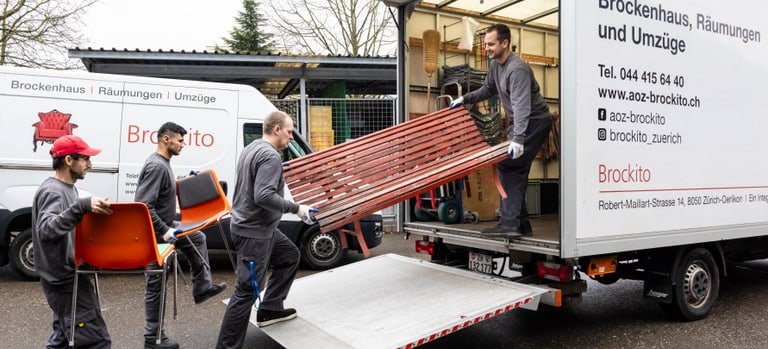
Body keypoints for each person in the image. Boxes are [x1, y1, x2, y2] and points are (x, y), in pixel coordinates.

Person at [216, 111, 316, 349]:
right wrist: (297, 209)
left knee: (290, 256)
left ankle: (270, 309)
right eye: (290, 131)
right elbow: (263, 196)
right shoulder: (270, 156)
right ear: (277, 129)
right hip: (254, 233)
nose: (291, 137)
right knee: (246, 292)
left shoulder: (251, 148)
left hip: (260, 228)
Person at [450, 23, 553, 237]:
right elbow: (488, 89)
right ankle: (519, 223)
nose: (486, 48)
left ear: (504, 43)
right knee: (515, 169)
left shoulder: (517, 70)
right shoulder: (496, 66)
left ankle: (510, 224)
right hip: (523, 121)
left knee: (510, 166)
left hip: (534, 121)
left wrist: (518, 138)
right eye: (485, 44)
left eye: (490, 44)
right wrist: (465, 99)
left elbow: (522, 106)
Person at [134, 122, 227, 349]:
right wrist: (165, 231)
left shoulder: (163, 164)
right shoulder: (156, 166)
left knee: (197, 237)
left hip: (165, 225)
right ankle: (152, 338)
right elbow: (143, 204)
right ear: (167, 139)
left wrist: (185, 180)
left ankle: (202, 288)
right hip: (154, 233)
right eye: (180, 140)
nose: (183, 145)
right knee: (156, 284)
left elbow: (164, 189)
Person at [32, 135, 113, 348]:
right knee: (96, 341)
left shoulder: (67, 188)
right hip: (64, 282)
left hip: (67, 278)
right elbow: (47, 230)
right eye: (85, 159)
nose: (90, 164)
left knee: (63, 338)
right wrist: (81, 207)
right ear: (69, 161)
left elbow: (68, 229)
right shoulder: (53, 191)